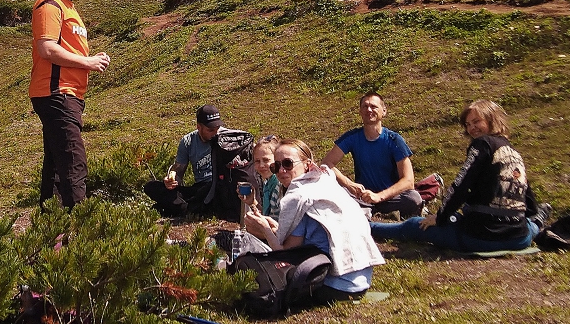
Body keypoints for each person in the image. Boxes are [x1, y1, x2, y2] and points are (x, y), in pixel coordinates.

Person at [371, 99, 541, 253]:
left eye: (476, 122)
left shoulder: (482, 144)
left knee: (415, 226)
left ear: (491, 120)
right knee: (530, 226)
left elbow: (461, 184)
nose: (471, 128)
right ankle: (538, 223)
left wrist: (441, 217)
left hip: (482, 236)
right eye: (468, 124)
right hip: (519, 238)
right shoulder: (513, 152)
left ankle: (368, 227)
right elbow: (528, 198)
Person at [241, 139, 383, 305]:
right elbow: (308, 230)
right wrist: (273, 226)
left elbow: (283, 251)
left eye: (287, 164)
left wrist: (264, 229)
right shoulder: (325, 183)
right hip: (361, 281)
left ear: (307, 164)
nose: (281, 171)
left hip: (334, 286)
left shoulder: (298, 197)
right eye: (276, 166)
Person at [29, 0, 110, 207]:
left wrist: (89, 58)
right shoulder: (51, 4)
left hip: (67, 95)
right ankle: (79, 234)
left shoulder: (67, 6)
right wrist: (88, 62)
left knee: (55, 166)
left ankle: (51, 235)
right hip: (57, 94)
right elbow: (47, 49)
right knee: (74, 163)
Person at [321, 92, 422, 217]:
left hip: (390, 197)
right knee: (332, 192)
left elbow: (408, 181)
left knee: (413, 198)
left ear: (384, 111)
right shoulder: (352, 137)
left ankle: (374, 214)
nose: (369, 110)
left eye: (373, 107)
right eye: (365, 106)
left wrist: (379, 196)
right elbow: (326, 164)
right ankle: (375, 213)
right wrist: (349, 184)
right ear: (360, 112)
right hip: (362, 198)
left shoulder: (394, 140)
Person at [144, 104, 233, 218]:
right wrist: (171, 181)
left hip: (218, 185)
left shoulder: (228, 138)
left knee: (212, 191)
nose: (215, 133)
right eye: (210, 130)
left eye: (217, 129)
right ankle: (191, 208)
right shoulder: (188, 141)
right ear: (199, 127)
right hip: (199, 187)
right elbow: (179, 171)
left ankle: (182, 208)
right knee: (151, 187)